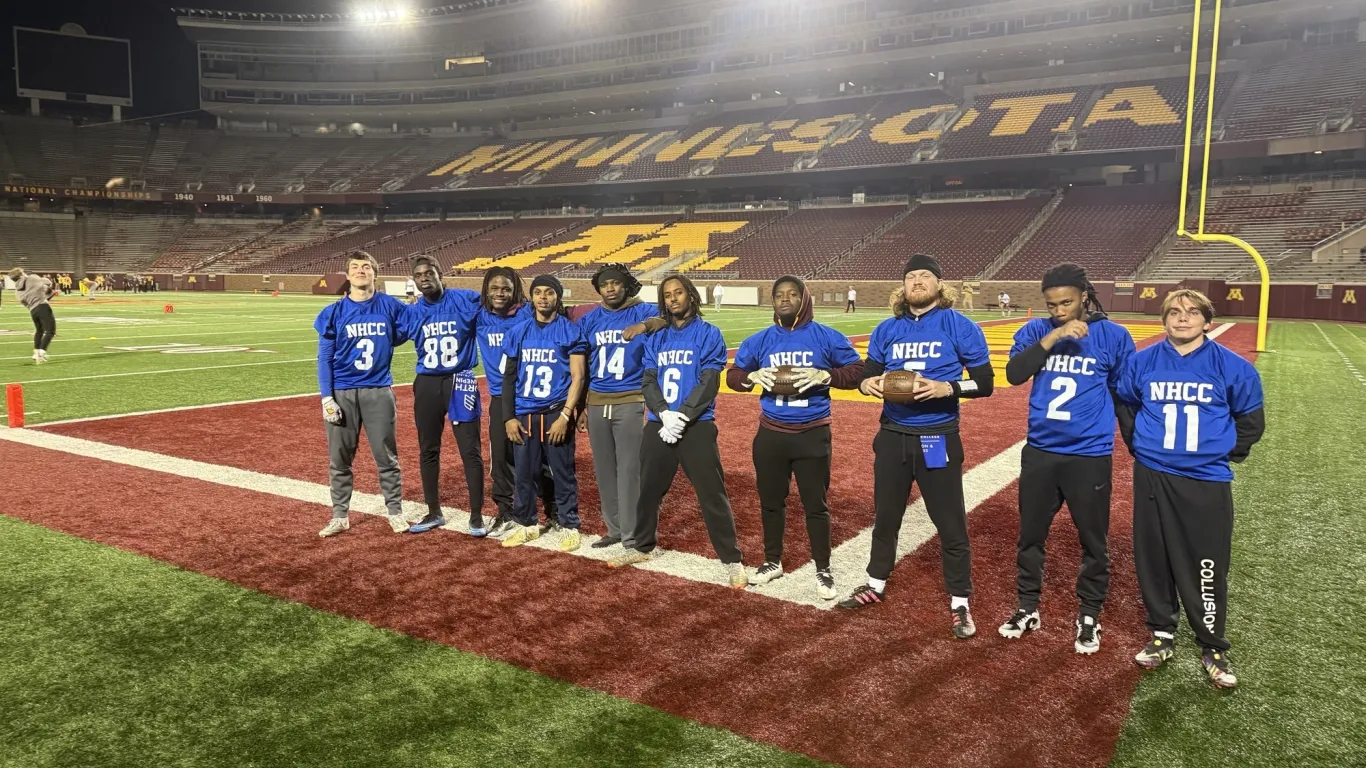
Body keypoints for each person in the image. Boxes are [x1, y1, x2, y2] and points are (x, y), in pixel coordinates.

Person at [839, 254, 994, 640]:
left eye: (925, 276)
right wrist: (867, 385)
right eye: (911, 276)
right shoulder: (887, 329)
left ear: (939, 284)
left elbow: (985, 382)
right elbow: (868, 375)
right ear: (903, 285)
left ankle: (960, 601)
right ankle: (875, 583)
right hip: (892, 436)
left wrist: (947, 388)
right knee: (886, 516)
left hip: (936, 437)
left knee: (950, 521)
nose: (917, 281)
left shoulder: (960, 326)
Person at [1118, 288, 1264, 689]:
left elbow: (1251, 423)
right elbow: (1127, 407)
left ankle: (1212, 644)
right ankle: (1161, 632)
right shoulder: (1141, 362)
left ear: (1207, 321)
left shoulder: (1232, 367)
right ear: (1164, 319)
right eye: (1175, 312)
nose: (1182, 318)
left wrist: (1214, 454)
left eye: (1192, 312)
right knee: (1154, 557)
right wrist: (1142, 448)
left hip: (1205, 479)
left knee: (1207, 562)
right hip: (1153, 474)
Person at [998, 264, 1136, 654]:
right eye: (1052, 305)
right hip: (1041, 451)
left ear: (1085, 297)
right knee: (1031, 536)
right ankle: (1027, 607)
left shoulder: (1113, 335)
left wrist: (1135, 444)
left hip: (1088, 455)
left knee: (1093, 540)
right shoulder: (1036, 331)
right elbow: (1014, 374)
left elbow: (1123, 396)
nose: (1059, 310)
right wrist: (1054, 336)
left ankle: (1089, 615)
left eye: (1067, 303)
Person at [729, 275, 863, 600]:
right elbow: (733, 375)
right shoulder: (760, 340)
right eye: (779, 294)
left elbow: (859, 371)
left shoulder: (826, 337)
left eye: (792, 293)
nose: (785, 298)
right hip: (771, 432)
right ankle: (772, 561)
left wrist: (826, 375)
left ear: (804, 299)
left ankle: (823, 568)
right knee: (770, 503)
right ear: (773, 301)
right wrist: (751, 377)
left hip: (812, 432)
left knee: (815, 505)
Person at [610, 274, 748, 589]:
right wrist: (663, 413)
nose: (673, 299)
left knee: (711, 494)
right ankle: (642, 546)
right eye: (667, 294)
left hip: (696, 425)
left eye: (679, 292)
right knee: (648, 489)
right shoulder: (657, 337)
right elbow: (648, 380)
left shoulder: (709, 333)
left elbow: (709, 381)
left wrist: (683, 416)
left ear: (691, 296)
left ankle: (732, 559)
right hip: (659, 424)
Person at [314, 251, 416, 537]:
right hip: (342, 392)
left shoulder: (390, 305)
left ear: (375, 273)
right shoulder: (334, 312)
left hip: (378, 390)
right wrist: (326, 397)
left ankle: (394, 511)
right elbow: (324, 358)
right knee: (339, 459)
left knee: (386, 457)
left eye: (366, 267)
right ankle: (340, 515)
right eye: (355, 267)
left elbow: (405, 331)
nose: (361, 270)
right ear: (348, 275)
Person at [570, 263, 666, 550]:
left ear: (626, 285)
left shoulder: (643, 311)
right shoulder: (590, 320)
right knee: (604, 469)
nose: (610, 288)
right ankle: (614, 529)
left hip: (631, 399)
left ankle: (632, 533)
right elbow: (584, 367)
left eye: (615, 283)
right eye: (604, 284)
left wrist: (643, 326)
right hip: (598, 401)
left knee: (629, 470)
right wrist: (581, 407)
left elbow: (667, 319)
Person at [499, 274, 590, 550]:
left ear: (557, 296)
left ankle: (569, 524)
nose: (543, 297)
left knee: (562, 472)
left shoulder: (570, 331)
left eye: (549, 292)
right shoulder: (519, 331)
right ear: (532, 296)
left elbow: (579, 377)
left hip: (555, 411)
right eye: (538, 292)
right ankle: (526, 524)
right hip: (525, 413)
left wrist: (566, 415)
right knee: (524, 473)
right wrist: (508, 416)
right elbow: (509, 378)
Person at [399, 255, 487, 536]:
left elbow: (497, 307)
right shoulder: (412, 312)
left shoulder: (464, 299)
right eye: (418, 275)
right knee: (428, 448)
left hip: (460, 378)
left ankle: (476, 515)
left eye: (429, 273)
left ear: (440, 275)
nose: (424, 278)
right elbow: (391, 335)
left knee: (470, 450)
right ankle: (433, 511)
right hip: (427, 381)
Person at [476, 266, 559, 535]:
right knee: (501, 458)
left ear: (516, 291)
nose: (500, 293)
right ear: (486, 291)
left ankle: (553, 510)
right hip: (500, 397)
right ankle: (505, 511)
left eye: (506, 289)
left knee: (538, 458)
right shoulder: (479, 314)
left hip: (531, 398)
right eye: (494, 288)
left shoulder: (528, 313)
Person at [9, 268, 56, 365]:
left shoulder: (17, 291)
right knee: (50, 331)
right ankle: (41, 353)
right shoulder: (32, 278)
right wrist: (49, 292)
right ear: (21, 274)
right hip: (42, 306)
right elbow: (47, 282)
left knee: (39, 331)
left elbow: (25, 301)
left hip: (33, 310)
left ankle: (36, 352)